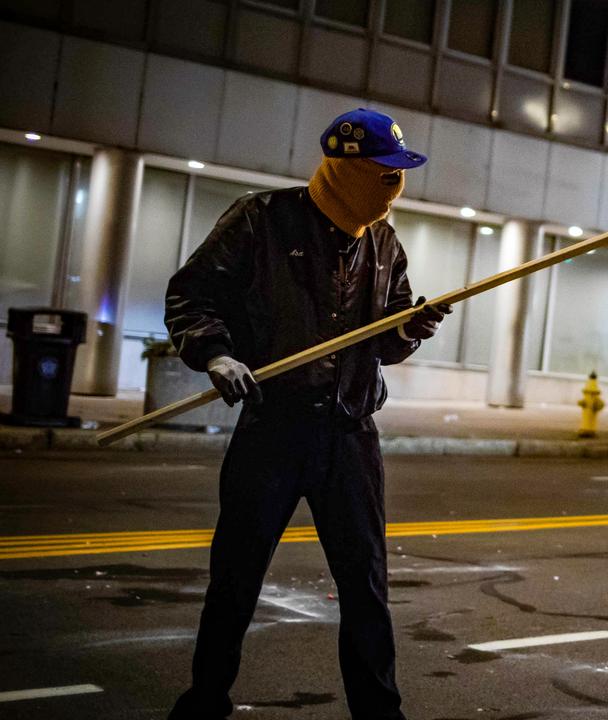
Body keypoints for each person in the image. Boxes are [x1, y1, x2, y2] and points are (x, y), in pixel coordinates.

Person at [164, 108, 449, 720]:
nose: (394, 185)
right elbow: (192, 295)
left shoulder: (383, 241)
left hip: (349, 433)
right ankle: (205, 702)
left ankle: (380, 712)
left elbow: (387, 341)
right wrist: (215, 355)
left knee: (367, 586)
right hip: (273, 427)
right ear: (347, 168)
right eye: (384, 172)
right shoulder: (261, 220)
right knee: (236, 581)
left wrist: (411, 327)